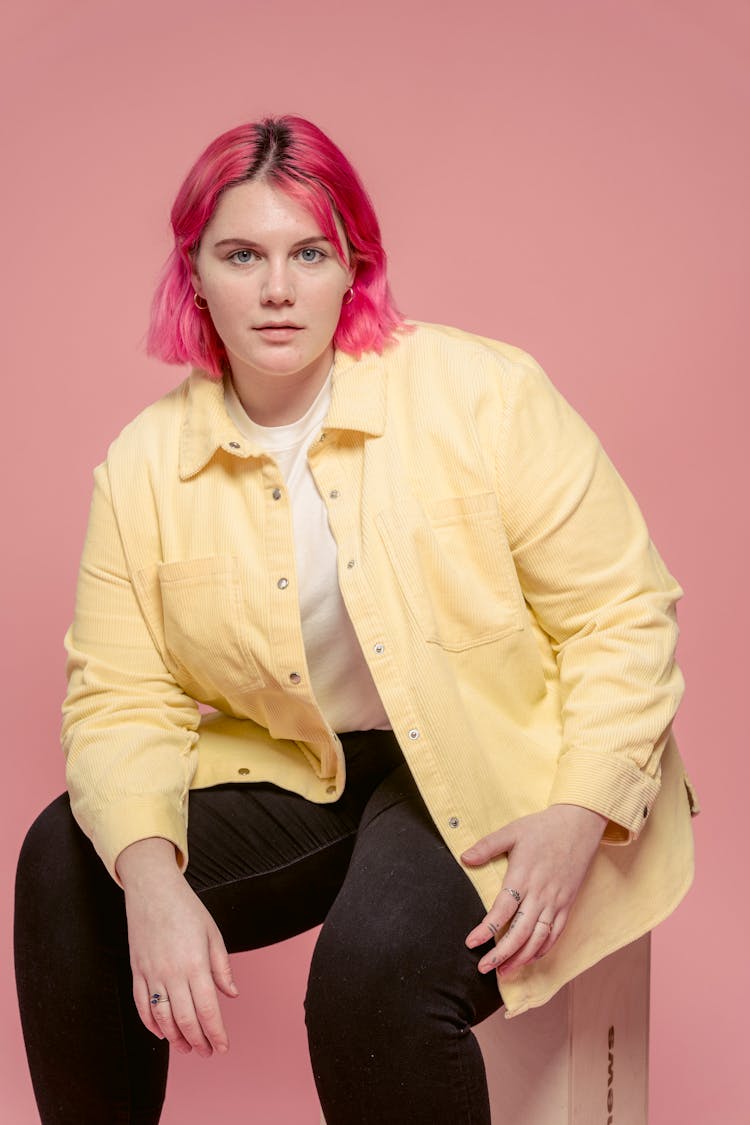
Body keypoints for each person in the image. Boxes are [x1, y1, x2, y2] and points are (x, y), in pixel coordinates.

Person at [14, 115, 697, 1125]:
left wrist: (580, 812)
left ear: (354, 267)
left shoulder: (482, 394)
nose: (278, 289)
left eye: (310, 253)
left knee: (372, 980)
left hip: (508, 764)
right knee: (71, 862)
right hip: (316, 768)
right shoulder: (143, 466)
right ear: (194, 271)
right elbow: (121, 698)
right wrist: (150, 886)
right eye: (242, 254)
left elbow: (622, 615)